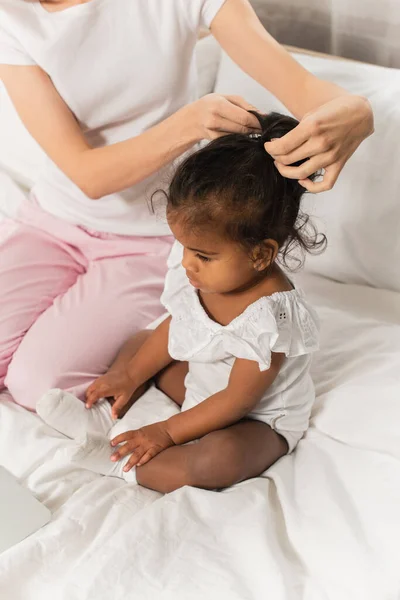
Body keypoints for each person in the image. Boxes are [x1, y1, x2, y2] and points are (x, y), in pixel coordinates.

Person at [0, 0, 373, 410]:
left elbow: (302, 88)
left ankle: (152, 356)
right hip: (52, 221)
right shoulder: (12, 17)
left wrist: (356, 110)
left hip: (146, 241)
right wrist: (191, 123)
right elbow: (89, 176)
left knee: (38, 386)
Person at [37, 111, 326, 493]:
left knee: (217, 459)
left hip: (255, 417)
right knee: (141, 343)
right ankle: (111, 418)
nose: (187, 263)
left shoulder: (271, 316)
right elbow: (181, 324)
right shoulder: (209, 272)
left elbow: (237, 401)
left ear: (260, 255)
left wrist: (167, 432)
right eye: (184, 247)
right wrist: (133, 374)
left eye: (203, 256)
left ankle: (120, 465)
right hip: (202, 386)